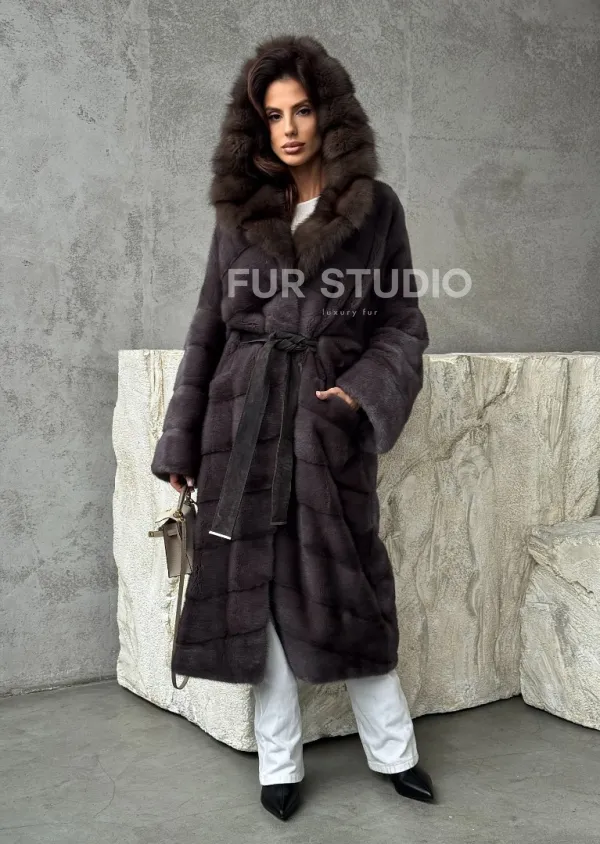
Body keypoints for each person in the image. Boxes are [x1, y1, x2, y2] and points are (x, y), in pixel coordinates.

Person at [150, 34, 433, 821]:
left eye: (301, 110)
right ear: (257, 126)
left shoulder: (375, 209)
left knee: (350, 586)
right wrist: (181, 440)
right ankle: (279, 762)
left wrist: (355, 397)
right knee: (256, 596)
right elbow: (207, 327)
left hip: (320, 424)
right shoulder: (241, 216)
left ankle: (395, 751)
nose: (289, 128)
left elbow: (403, 323)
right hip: (239, 423)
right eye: (273, 115)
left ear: (328, 113)